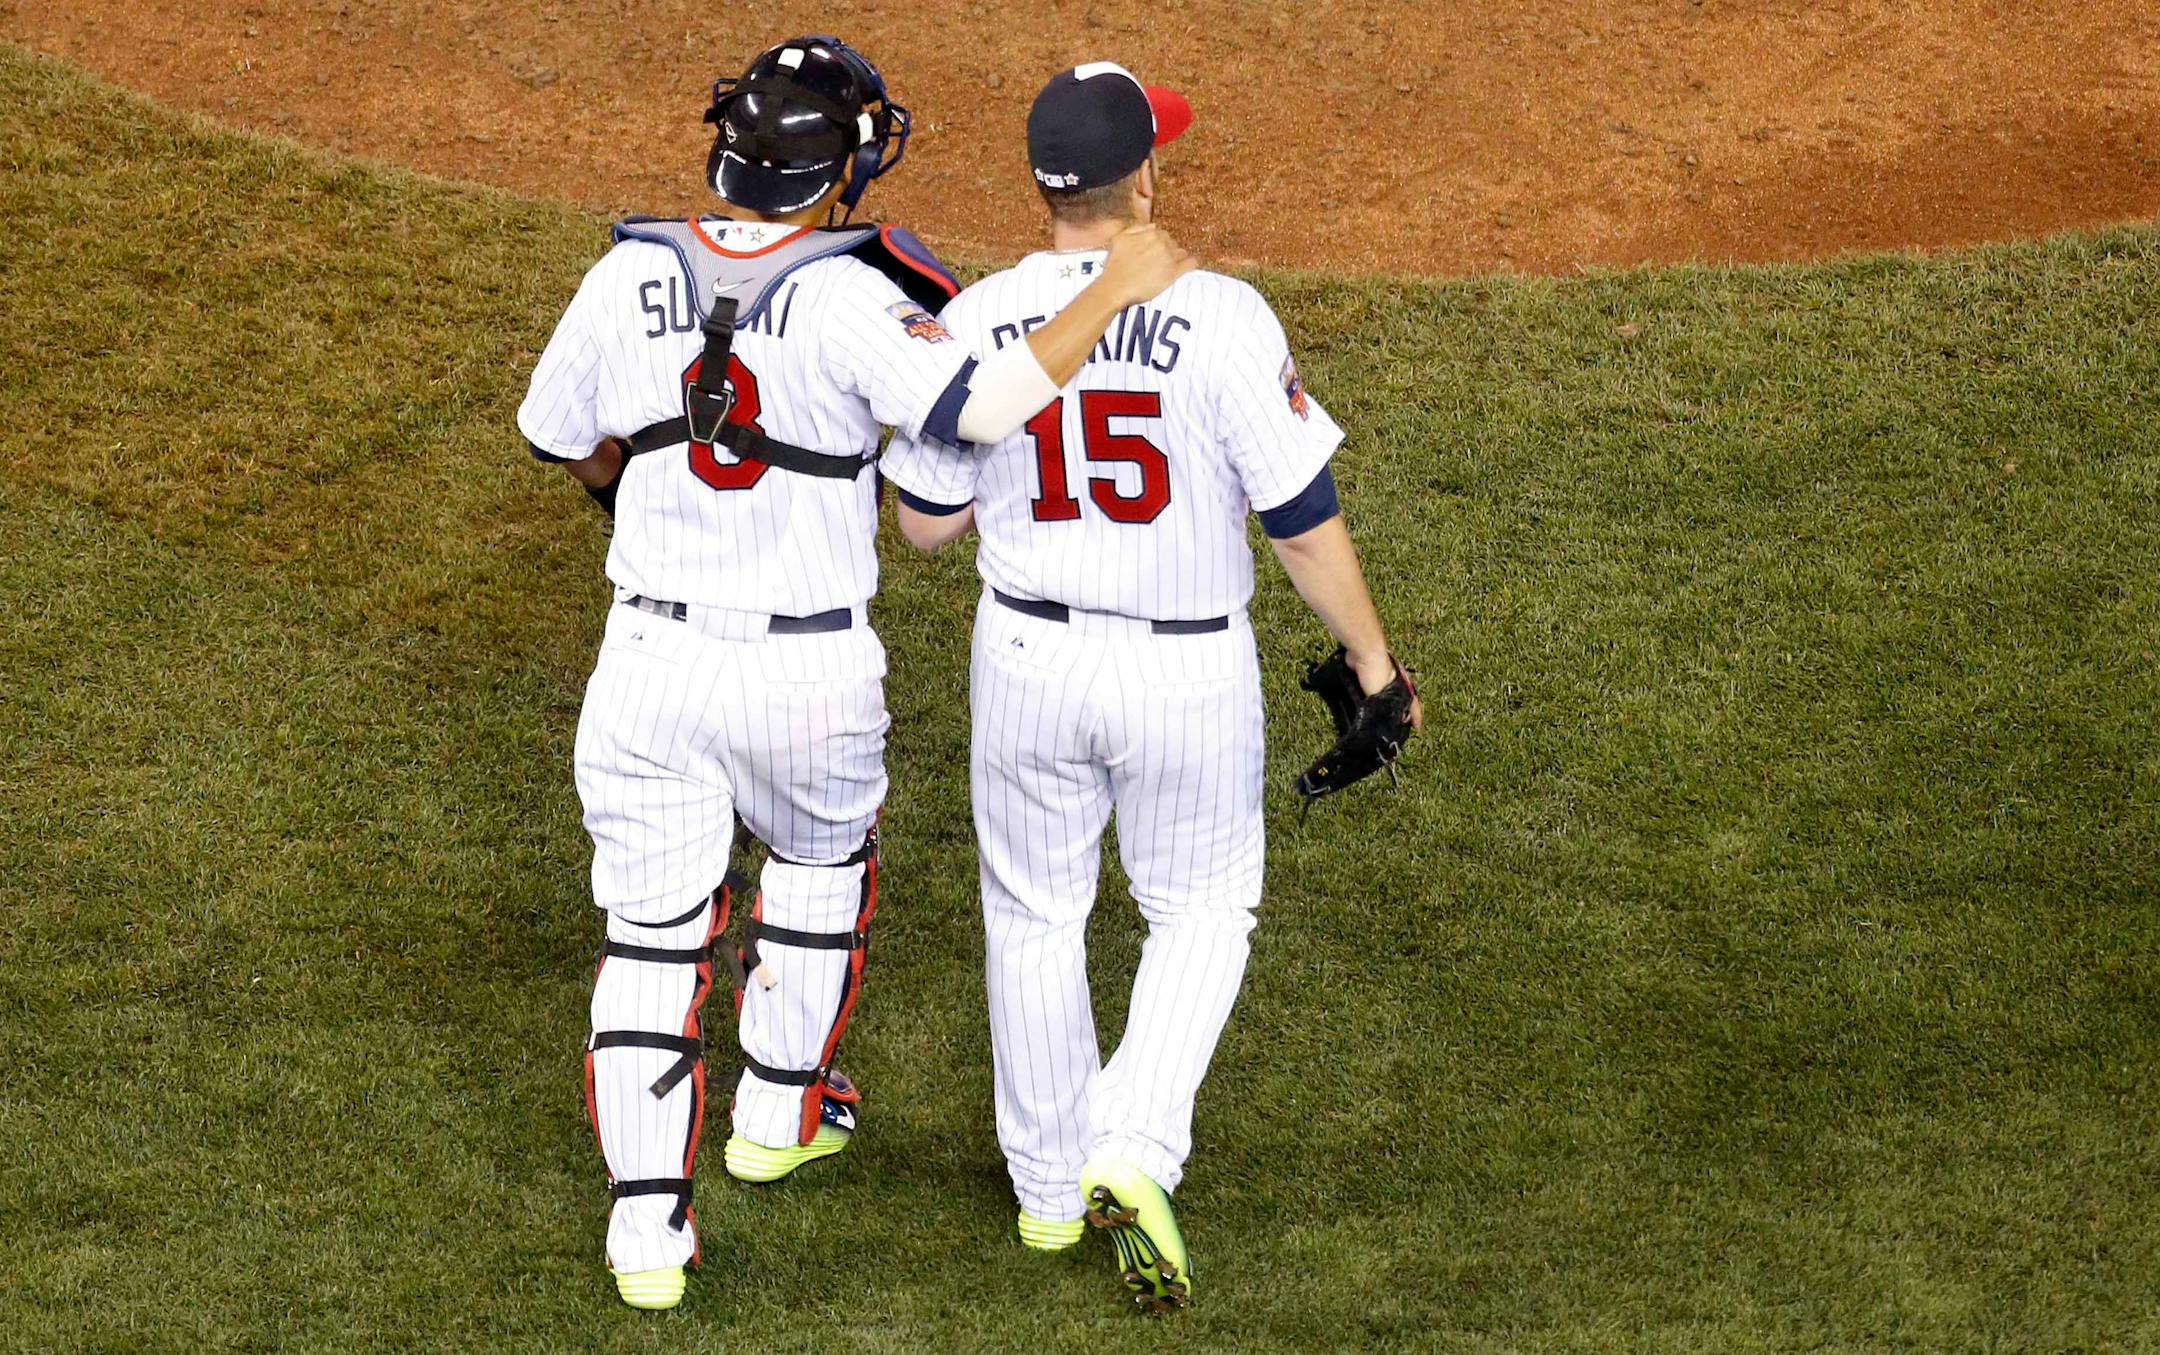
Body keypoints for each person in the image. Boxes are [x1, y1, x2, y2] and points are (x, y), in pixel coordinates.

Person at [515, 36, 1194, 1312]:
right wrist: (1109, 295)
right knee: (821, 865)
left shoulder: (624, 275)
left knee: (651, 941)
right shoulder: (852, 294)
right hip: (809, 668)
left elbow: (565, 436)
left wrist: (636, 505)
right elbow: (979, 412)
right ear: (839, 171)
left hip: (648, 659)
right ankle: (777, 1115)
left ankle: (647, 1239)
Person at [882, 61, 1422, 1313]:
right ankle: (1131, 1140)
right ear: (1146, 177)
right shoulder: (1223, 314)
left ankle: (1044, 1189)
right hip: (1184, 665)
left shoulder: (979, 318)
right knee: (1199, 907)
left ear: (1042, 183)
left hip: (1025, 656)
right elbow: (1297, 520)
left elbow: (923, 527)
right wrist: (1374, 665)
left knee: (1034, 912)